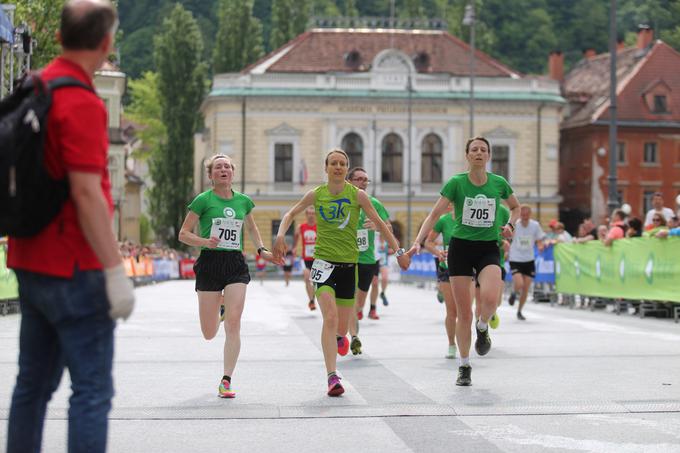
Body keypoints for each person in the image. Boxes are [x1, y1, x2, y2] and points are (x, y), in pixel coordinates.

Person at [5, 2, 134, 452]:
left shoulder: (33, 85)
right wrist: (115, 272)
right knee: (92, 392)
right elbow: (86, 194)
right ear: (105, 43)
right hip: (74, 266)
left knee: (31, 388)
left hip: (28, 258)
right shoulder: (80, 102)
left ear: (59, 38)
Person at [273, 149, 410, 396]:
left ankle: (339, 337)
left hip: (349, 267)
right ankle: (332, 377)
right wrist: (281, 234)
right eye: (333, 163)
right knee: (331, 318)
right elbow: (290, 213)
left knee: (343, 326)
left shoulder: (357, 196)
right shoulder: (317, 194)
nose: (338, 167)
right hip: (323, 265)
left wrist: (399, 252)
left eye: (342, 164)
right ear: (325, 168)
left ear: (346, 169)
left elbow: (380, 224)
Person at [409, 136, 519, 387]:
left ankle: (483, 327)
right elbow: (435, 214)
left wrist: (510, 225)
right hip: (460, 247)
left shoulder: (499, 183)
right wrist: (418, 241)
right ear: (467, 156)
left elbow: (515, 207)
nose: (479, 153)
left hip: (488, 247)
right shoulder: (457, 183)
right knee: (463, 313)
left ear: (488, 156)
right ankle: (464, 365)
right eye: (474, 149)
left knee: (490, 299)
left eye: (483, 149)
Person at [178, 154, 275, 399]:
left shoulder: (243, 201)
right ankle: (220, 306)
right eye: (218, 167)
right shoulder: (203, 200)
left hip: (234, 263)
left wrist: (262, 249)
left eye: (227, 167)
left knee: (234, 322)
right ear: (211, 175)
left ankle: (226, 379)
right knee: (209, 333)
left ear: (233, 173)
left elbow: (251, 228)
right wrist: (204, 242)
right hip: (210, 263)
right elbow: (183, 234)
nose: (223, 170)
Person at [346, 167, 390, 354]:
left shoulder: (374, 204)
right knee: (348, 300)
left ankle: (354, 324)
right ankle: (354, 336)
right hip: (346, 257)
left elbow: (388, 227)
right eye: (359, 179)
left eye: (366, 179)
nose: (363, 182)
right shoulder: (343, 202)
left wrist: (377, 226)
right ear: (349, 181)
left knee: (358, 304)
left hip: (367, 259)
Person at [423, 204, 459, 359]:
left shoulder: (471, 220)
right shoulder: (444, 220)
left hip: (468, 269)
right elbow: (428, 242)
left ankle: (467, 341)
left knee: (465, 312)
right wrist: (438, 252)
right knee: (452, 311)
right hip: (447, 267)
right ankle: (452, 344)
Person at [507, 205, 545, 320]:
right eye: (522, 215)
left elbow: (539, 240)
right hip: (515, 258)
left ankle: (519, 311)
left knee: (526, 288)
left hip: (529, 259)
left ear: (530, 214)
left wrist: (540, 246)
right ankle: (513, 293)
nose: (524, 217)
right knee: (519, 284)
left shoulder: (535, 225)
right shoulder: (515, 225)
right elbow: (507, 237)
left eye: (526, 215)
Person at [292, 206, 317, 310]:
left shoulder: (319, 227)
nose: (311, 215)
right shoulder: (301, 227)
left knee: (316, 281)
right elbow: (296, 237)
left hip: (317, 258)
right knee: (307, 278)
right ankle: (311, 301)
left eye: (313, 213)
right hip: (306, 258)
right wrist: (294, 248)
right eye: (309, 213)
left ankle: (313, 297)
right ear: (306, 215)